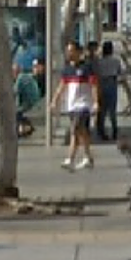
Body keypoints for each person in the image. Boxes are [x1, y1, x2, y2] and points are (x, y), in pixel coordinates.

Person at [49, 41, 99, 171]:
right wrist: (55, 100)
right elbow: (61, 86)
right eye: (68, 51)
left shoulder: (87, 67)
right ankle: (88, 157)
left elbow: (94, 85)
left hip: (83, 105)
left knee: (75, 129)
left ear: (78, 52)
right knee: (82, 133)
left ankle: (70, 159)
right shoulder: (67, 70)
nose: (69, 53)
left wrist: (96, 102)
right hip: (71, 105)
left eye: (71, 50)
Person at [94, 40, 124, 143]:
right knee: (112, 109)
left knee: (102, 109)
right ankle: (114, 129)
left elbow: (96, 73)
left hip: (101, 83)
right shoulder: (116, 61)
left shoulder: (99, 61)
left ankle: (101, 130)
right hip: (112, 83)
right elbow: (121, 73)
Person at [14, 64, 42, 137]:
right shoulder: (27, 76)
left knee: (14, 110)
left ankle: (24, 127)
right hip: (33, 100)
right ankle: (24, 126)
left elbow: (16, 91)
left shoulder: (21, 78)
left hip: (29, 102)